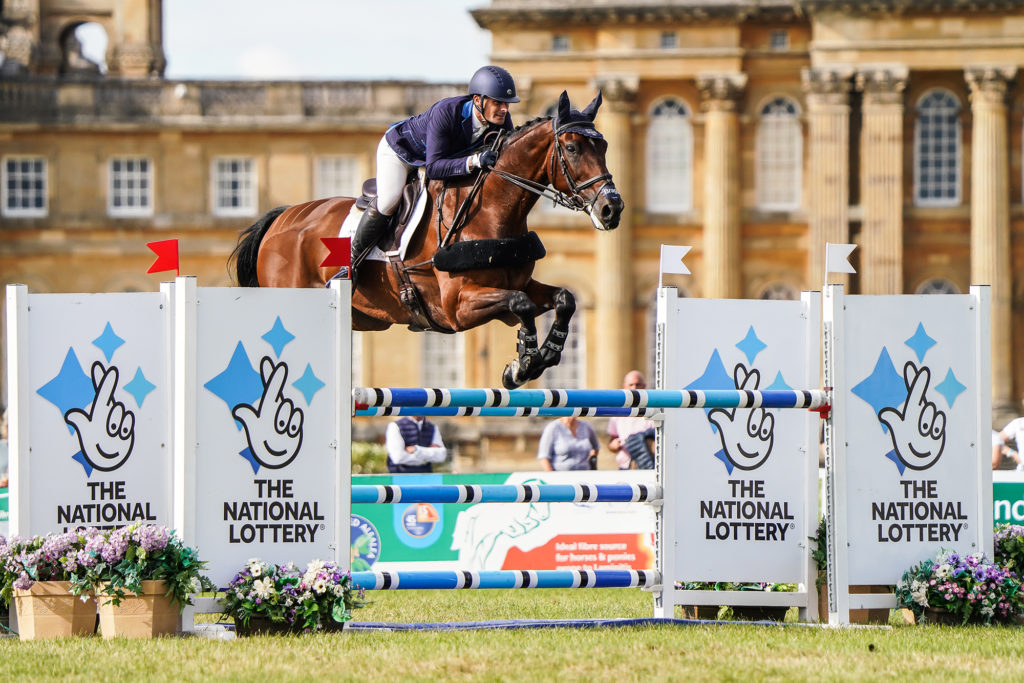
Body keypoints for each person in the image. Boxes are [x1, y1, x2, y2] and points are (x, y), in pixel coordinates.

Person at [349, 64, 520, 275]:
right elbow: (434, 168)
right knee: (389, 200)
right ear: (478, 100)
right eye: (498, 103)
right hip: (401, 153)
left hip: (436, 159)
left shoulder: (501, 121)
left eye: (507, 104)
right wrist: (474, 161)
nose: (504, 108)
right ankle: (351, 262)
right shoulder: (447, 112)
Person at [607, 370, 656, 470]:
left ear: (644, 386)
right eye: (631, 385)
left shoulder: (652, 411)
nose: (634, 388)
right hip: (625, 466)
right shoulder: (617, 413)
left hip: (647, 465)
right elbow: (612, 440)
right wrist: (613, 446)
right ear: (624, 387)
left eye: (638, 384)